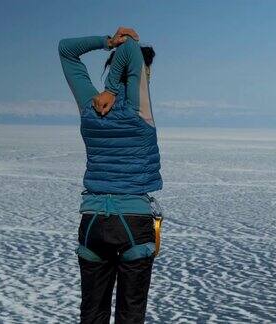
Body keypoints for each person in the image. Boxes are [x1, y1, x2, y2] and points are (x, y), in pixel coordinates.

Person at [58, 27, 163, 324]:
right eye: (146, 73)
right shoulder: (140, 112)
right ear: (139, 74)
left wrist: (108, 42)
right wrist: (114, 88)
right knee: (131, 315)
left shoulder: (89, 108)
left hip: (92, 223)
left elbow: (66, 48)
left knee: (92, 314)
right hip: (133, 221)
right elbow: (131, 48)